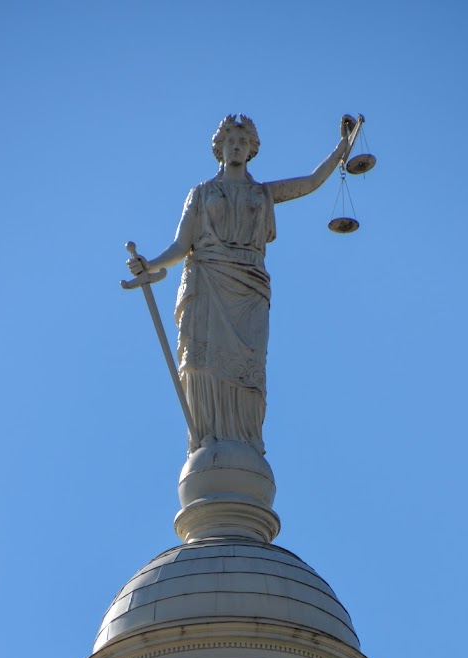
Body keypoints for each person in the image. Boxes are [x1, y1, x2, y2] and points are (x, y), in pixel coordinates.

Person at [128, 114, 356, 454]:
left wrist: (342, 148)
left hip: (249, 286)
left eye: (242, 142)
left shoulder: (262, 193)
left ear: (252, 150)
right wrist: (150, 264)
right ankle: (206, 438)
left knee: (249, 368)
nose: (235, 148)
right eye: (230, 142)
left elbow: (309, 183)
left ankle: (246, 440)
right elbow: (181, 246)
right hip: (207, 279)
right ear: (219, 149)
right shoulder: (202, 193)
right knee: (202, 363)